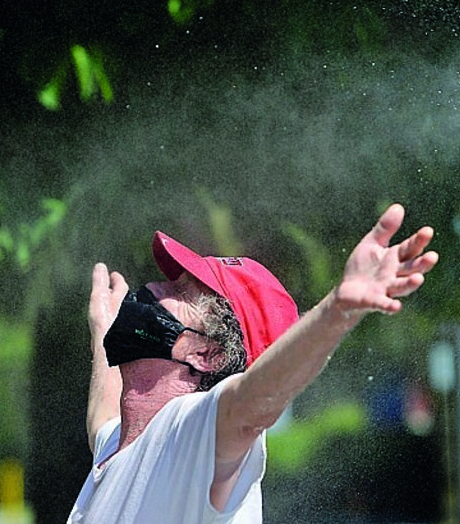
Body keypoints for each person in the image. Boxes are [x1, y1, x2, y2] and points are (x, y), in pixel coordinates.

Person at [67, 204, 438, 523]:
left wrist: (337, 310)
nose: (152, 286)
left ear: (206, 354)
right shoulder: (122, 443)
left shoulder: (193, 431)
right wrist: (103, 331)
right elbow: (102, 417)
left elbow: (253, 401)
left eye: (180, 292)